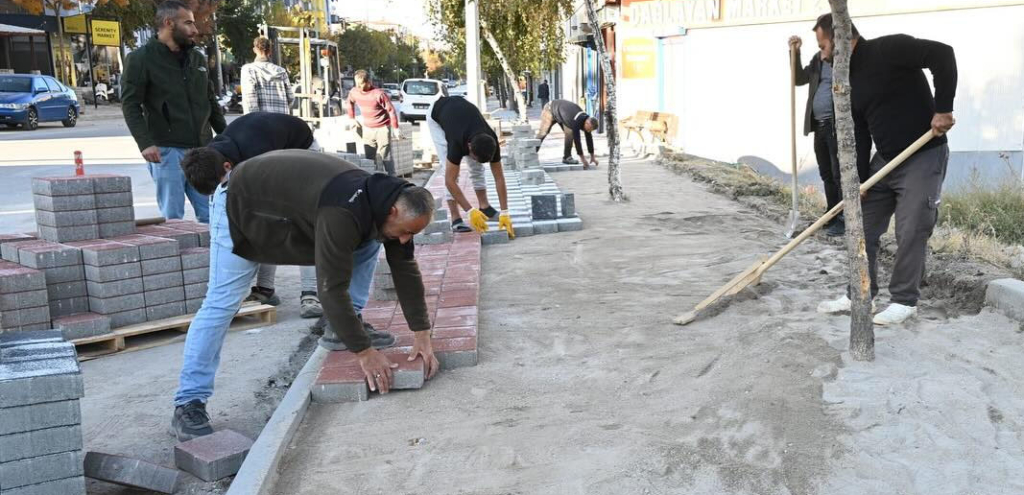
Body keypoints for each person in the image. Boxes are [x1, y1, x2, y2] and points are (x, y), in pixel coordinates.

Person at [172, 149, 440, 440]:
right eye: (405, 232)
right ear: (394, 211)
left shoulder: (388, 201)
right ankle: (189, 402)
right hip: (240, 203)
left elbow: (405, 269)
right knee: (221, 303)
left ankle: (344, 328)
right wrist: (364, 353)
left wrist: (422, 333)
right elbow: (330, 288)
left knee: (370, 243)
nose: (405, 239)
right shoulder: (343, 213)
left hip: (293, 206)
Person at [812, 13, 957, 325]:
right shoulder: (846, 81)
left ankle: (905, 301)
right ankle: (861, 294)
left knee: (911, 228)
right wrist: (861, 181)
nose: (821, 55)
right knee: (860, 227)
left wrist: (944, 107)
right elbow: (860, 133)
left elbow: (942, 54)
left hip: (923, 153)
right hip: (886, 160)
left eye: (823, 46)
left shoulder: (888, 49)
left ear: (840, 39)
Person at [181, 112, 325, 318]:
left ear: (228, 167)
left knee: (297, 222)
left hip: (299, 148)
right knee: (263, 224)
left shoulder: (257, 157)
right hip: (270, 144)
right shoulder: (209, 158)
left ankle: (310, 294)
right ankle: (265, 290)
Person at [121, 0, 225, 224]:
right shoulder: (141, 59)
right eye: (188, 23)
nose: (195, 30)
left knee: (213, 214)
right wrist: (145, 142)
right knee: (173, 218)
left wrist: (227, 137)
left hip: (203, 149)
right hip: (167, 150)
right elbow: (130, 104)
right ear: (169, 23)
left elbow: (210, 101)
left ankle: (211, 258)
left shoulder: (196, 58)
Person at [426, 96, 513, 236]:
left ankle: (484, 207)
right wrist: (470, 211)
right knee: (450, 171)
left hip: (463, 113)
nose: (474, 160)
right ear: (469, 147)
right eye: (474, 157)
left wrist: (505, 212)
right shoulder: (456, 143)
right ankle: (456, 218)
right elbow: (450, 181)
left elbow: (499, 178)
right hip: (437, 114)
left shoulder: (492, 141)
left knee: (477, 169)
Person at [790, 34, 845, 237]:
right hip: (819, 126)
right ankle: (831, 213)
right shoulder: (817, 59)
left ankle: (843, 219)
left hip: (836, 126)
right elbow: (799, 79)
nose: (821, 49)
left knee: (839, 174)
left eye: (823, 44)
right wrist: (795, 53)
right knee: (826, 173)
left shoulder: (843, 60)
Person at [347, 70, 401, 176]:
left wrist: (395, 128)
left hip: (382, 128)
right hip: (367, 129)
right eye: (357, 83)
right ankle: (371, 181)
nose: (359, 86)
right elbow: (349, 103)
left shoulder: (379, 94)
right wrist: (352, 118)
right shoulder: (354, 92)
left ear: (369, 82)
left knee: (386, 157)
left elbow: (391, 110)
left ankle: (392, 179)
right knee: (369, 159)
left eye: (361, 83)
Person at [536, 99, 599, 168]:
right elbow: (577, 140)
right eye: (589, 129)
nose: (588, 131)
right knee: (543, 133)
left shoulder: (586, 120)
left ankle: (567, 157)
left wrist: (592, 157)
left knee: (569, 133)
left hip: (563, 114)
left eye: (590, 130)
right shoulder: (576, 121)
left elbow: (589, 139)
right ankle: (532, 153)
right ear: (587, 123)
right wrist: (583, 159)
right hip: (550, 109)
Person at [240, 36, 293, 115]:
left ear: (254, 50)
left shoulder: (248, 70)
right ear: (270, 51)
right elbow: (291, 98)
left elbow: (250, 99)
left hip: (260, 122)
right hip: (281, 121)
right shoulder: (281, 71)